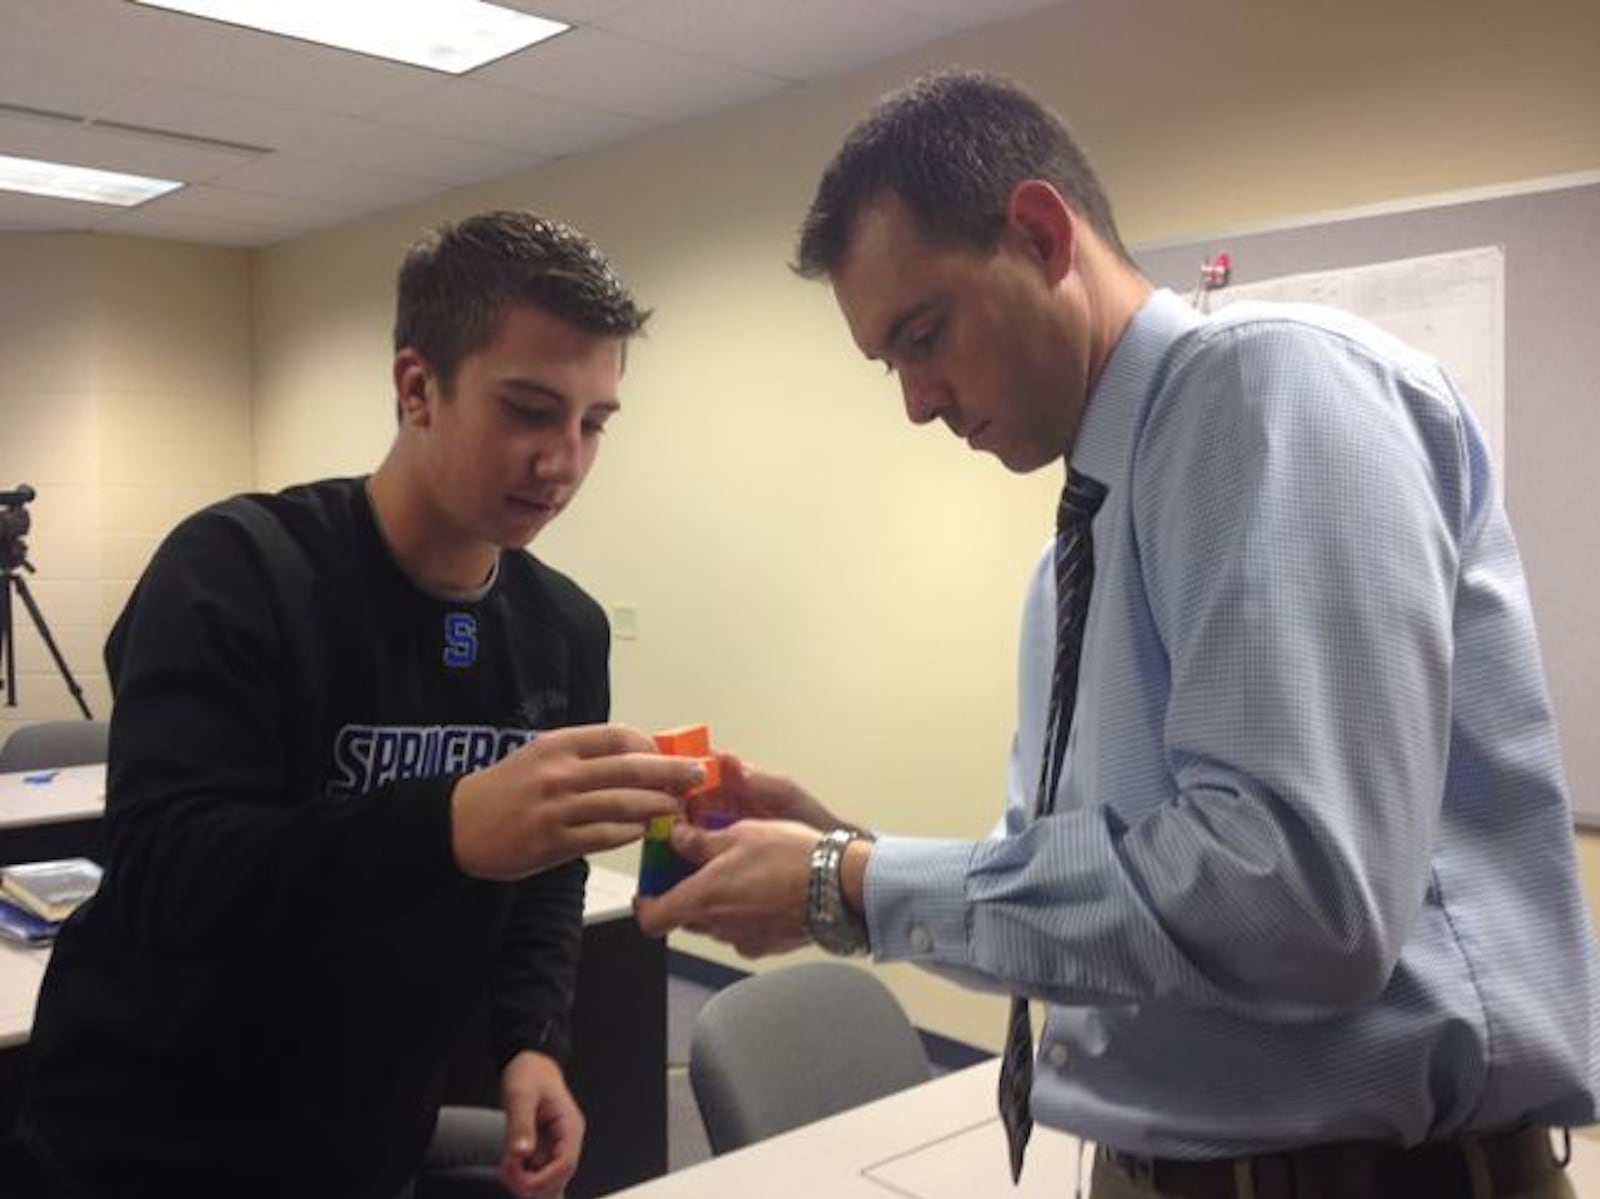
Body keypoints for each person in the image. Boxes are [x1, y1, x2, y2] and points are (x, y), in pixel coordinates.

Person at [636, 70, 1600, 1198]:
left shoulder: (1263, 387)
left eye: (924, 332)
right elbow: (1102, 905)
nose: (916, 401)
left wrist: (855, 882)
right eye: (888, 361)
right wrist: (842, 852)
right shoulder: (1078, 552)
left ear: (1041, 233)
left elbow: (1295, 897)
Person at [6, 210, 704, 1199]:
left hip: (363, 1135)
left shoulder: (561, 629)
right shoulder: (236, 571)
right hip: (143, 1137)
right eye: (529, 410)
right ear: (418, 387)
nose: (565, 461)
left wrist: (531, 1042)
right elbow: (174, 872)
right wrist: (452, 823)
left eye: (593, 423)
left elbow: (545, 872)